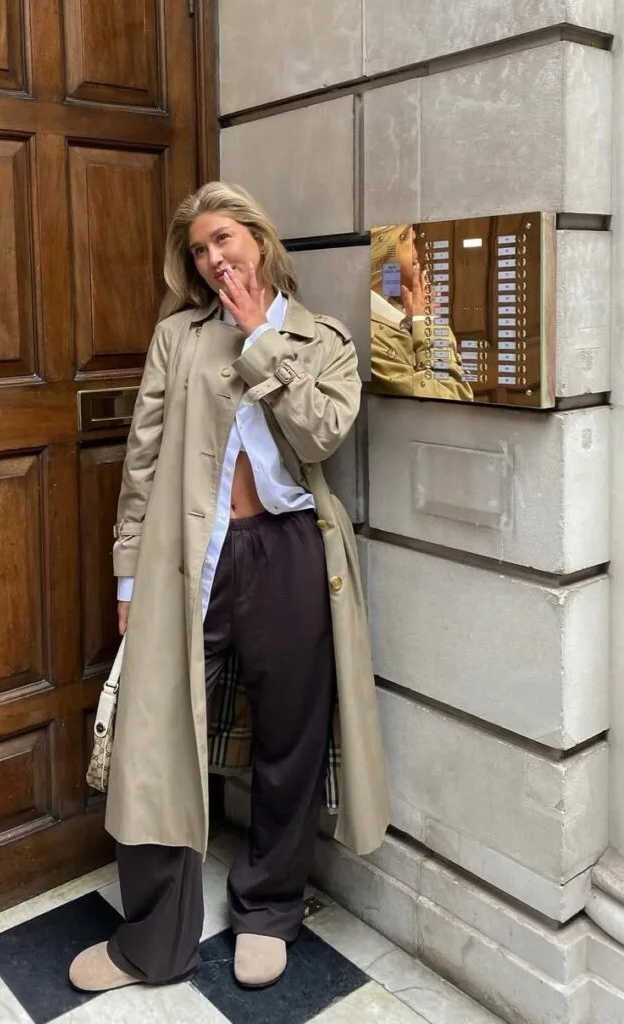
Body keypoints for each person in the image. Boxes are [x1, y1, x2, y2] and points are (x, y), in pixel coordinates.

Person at [69, 182, 389, 994]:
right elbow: (140, 466)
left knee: (291, 737)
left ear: (259, 237)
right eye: (200, 251)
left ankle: (269, 909)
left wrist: (258, 336)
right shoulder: (177, 339)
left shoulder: (325, 340)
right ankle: (154, 940)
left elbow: (322, 433)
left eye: (224, 239)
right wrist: (129, 577)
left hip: (288, 555)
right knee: (158, 738)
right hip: (191, 561)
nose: (215, 258)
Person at [370, 224, 473, 401]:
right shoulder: (370, 336)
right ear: (390, 250)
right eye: (412, 240)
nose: (417, 255)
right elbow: (455, 401)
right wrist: (428, 325)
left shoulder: (396, 313)